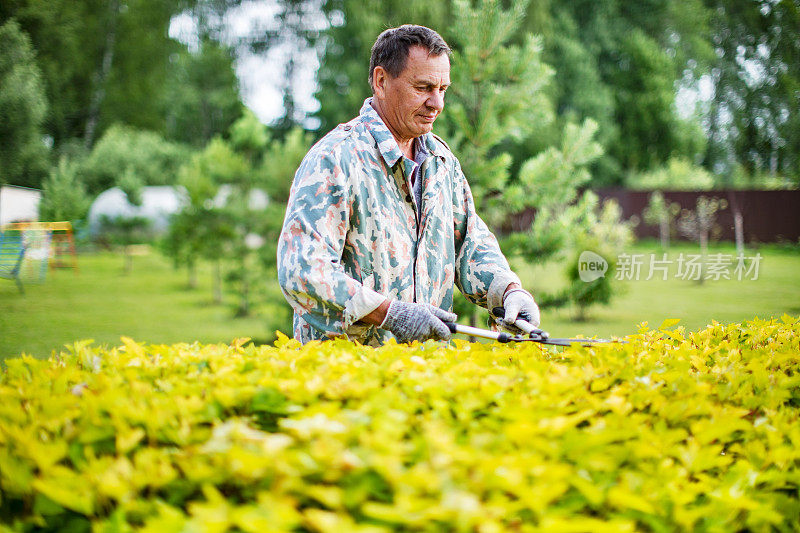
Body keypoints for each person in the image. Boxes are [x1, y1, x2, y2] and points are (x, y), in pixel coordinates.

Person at [277, 24, 539, 346]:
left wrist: (509, 292)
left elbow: (469, 244)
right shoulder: (335, 159)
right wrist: (388, 313)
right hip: (345, 380)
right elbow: (301, 270)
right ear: (381, 81)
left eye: (443, 89)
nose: (437, 103)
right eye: (424, 87)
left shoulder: (442, 162)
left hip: (423, 378)